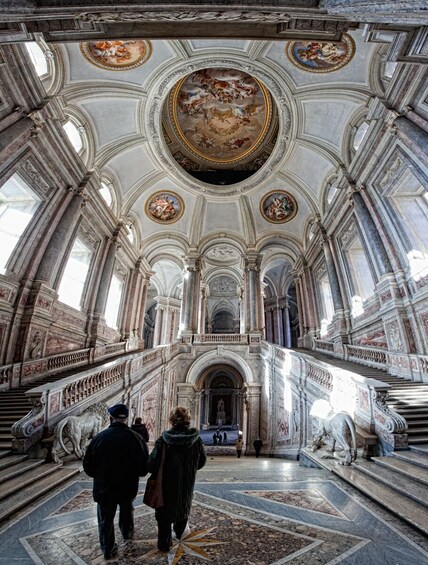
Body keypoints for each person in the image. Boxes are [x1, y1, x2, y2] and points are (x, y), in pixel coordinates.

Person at [83, 403, 149, 560]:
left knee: (105, 519)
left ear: (110, 418)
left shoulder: (99, 438)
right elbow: (143, 468)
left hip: (104, 486)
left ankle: (108, 548)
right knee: (127, 510)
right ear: (126, 419)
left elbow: (88, 465)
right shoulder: (136, 438)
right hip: (127, 486)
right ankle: (127, 533)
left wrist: (98, 476)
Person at [147, 406, 206, 552]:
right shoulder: (196, 440)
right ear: (187, 420)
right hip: (186, 483)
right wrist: (189, 469)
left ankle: (164, 544)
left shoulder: (163, 440)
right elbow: (202, 461)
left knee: (165, 515)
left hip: (165, 485)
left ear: (172, 420)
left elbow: (151, 464)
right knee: (183, 507)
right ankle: (180, 533)